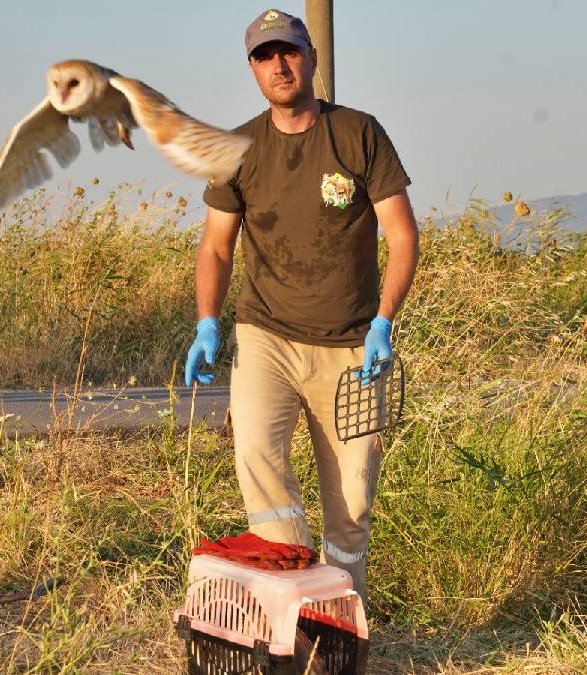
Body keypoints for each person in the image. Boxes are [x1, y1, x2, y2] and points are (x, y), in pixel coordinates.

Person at [183, 8, 419, 606]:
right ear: (253, 71)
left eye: (288, 52)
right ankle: (295, 603)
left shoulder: (359, 133)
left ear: (311, 58)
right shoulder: (237, 149)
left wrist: (384, 322)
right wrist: (207, 322)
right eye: (265, 57)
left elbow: (402, 236)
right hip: (267, 336)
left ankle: (343, 614)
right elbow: (216, 245)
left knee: (354, 500)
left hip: (352, 347)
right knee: (257, 456)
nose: (279, 65)